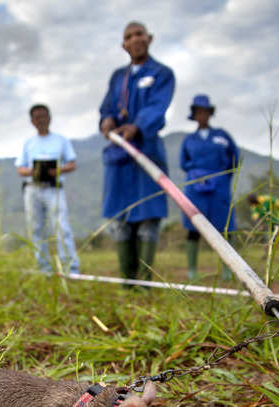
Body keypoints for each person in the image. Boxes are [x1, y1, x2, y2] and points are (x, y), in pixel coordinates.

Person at [99, 21, 175, 284]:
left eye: (139, 34)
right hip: (120, 157)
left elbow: (157, 108)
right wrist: (107, 121)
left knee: (147, 217)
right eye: (129, 36)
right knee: (122, 219)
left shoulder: (162, 73)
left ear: (149, 38)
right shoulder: (118, 77)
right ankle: (126, 282)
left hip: (146, 151)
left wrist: (136, 127)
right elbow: (107, 107)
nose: (135, 39)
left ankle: (144, 283)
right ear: (123, 45)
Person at [180, 94, 239, 281]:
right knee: (194, 226)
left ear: (209, 114)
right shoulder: (189, 140)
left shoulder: (222, 136)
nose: (202, 115)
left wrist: (222, 177)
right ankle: (192, 272)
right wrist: (196, 174)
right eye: (198, 112)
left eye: (205, 112)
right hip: (195, 188)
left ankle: (228, 271)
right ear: (194, 115)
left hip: (219, 187)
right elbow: (184, 162)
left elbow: (235, 158)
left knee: (224, 226)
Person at [16, 104, 80, 274]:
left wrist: (55, 170)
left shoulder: (61, 140)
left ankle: (70, 268)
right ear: (32, 121)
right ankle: (43, 268)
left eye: (43, 116)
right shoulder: (28, 144)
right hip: (32, 188)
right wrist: (34, 171)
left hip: (54, 189)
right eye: (37, 117)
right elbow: (20, 168)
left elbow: (72, 164)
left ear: (49, 118)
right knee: (36, 228)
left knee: (61, 227)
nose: (41, 120)